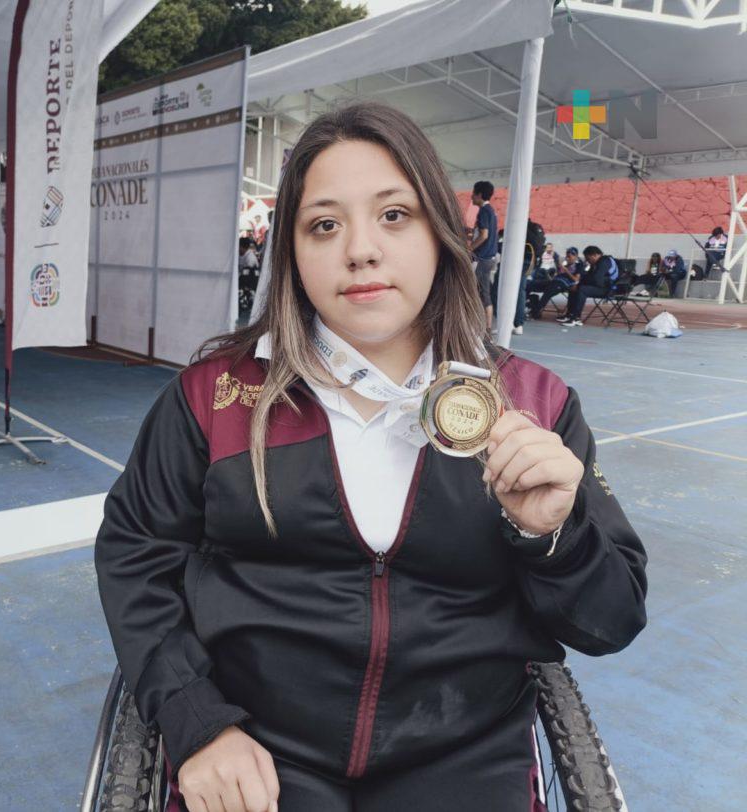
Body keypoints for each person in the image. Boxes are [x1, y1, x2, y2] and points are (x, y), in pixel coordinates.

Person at [95, 103, 647, 812]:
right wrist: (197, 721)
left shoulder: (535, 403)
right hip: (259, 743)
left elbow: (610, 621)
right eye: (324, 225)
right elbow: (136, 554)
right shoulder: (213, 398)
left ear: (440, 233)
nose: (360, 250)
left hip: (466, 748)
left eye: (394, 215)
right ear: (291, 251)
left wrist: (551, 536)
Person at [560, 245, 617, 326]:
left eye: (588, 258)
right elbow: (589, 277)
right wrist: (577, 284)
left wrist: (582, 283)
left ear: (595, 255)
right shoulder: (596, 263)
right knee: (574, 288)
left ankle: (576, 318)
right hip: (602, 286)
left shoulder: (604, 262)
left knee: (582, 289)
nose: (587, 261)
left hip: (609, 289)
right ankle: (569, 314)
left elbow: (597, 280)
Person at [468, 180, 497, 332]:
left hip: (482, 258)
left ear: (479, 194)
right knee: (481, 291)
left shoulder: (484, 211)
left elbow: (484, 235)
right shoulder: (491, 211)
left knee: (482, 293)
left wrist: (469, 249)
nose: (471, 196)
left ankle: (487, 329)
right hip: (488, 258)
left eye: (473, 193)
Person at [530, 246, 583, 320]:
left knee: (549, 290)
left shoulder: (578, 266)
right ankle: (531, 304)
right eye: (566, 256)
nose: (567, 258)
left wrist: (566, 270)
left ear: (575, 256)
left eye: (569, 257)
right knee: (531, 284)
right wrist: (558, 270)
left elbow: (575, 279)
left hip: (563, 284)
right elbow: (557, 275)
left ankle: (536, 311)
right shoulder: (566, 265)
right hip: (554, 281)